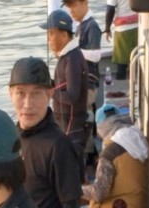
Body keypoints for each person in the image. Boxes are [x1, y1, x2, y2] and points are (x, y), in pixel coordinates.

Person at [8, 57, 82, 208]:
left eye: (36, 93)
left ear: (50, 94)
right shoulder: (8, 139)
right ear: (10, 94)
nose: (27, 104)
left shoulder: (59, 146)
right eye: (20, 93)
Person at [46, 8, 89, 168]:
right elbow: (62, 85)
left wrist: (51, 92)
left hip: (72, 127)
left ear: (64, 35)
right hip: (64, 124)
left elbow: (72, 96)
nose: (48, 39)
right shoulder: (66, 56)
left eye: (51, 33)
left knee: (71, 168)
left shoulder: (72, 59)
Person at [62, 0, 102, 156]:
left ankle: (88, 153)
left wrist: (73, 51)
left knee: (85, 116)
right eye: (69, 7)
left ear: (85, 3)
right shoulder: (80, 26)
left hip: (89, 83)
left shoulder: (92, 26)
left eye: (74, 6)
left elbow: (96, 55)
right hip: (81, 82)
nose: (71, 11)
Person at [105, 0, 139, 80]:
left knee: (122, 63)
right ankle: (138, 83)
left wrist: (107, 29)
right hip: (138, 26)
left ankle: (121, 82)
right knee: (137, 60)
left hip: (122, 30)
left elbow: (110, 10)